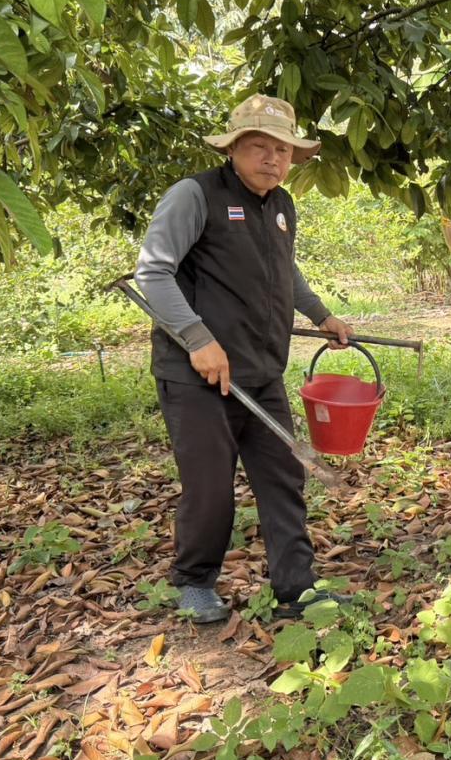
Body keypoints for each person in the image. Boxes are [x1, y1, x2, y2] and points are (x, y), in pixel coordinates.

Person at [135, 94, 354, 623]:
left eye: (281, 149)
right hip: (196, 375)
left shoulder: (281, 206)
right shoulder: (195, 195)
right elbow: (153, 274)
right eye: (259, 147)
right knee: (210, 485)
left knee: (284, 476)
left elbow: (285, 271)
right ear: (233, 148)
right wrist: (196, 338)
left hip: (261, 371)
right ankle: (194, 583)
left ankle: (295, 589)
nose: (272, 159)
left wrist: (321, 313)